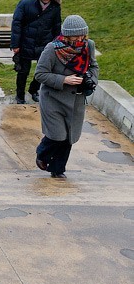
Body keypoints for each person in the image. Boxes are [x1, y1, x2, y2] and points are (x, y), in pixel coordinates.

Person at [34, 15, 98, 179]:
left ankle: (58, 169)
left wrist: (91, 80)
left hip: (76, 99)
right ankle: (42, 154)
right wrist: (64, 80)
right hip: (53, 99)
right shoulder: (52, 49)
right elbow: (40, 74)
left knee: (68, 137)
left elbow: (93, 66)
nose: (80, 39)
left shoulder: (88, 46)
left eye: (82, 35)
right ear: (67, 35)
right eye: (76, 36)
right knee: (57, 135)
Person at [11, 0, 62, 104]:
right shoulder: (25, 3)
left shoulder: (55, 7)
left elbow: (57, 26)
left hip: (45, 43)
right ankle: (20, 95)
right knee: (23, 71)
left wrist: (57, 44)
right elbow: (16, 24)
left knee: (42, 70)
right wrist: (15, 45)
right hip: (25, 43)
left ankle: (34, 90)